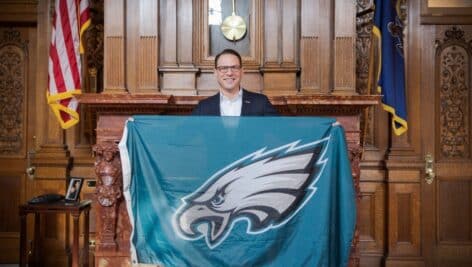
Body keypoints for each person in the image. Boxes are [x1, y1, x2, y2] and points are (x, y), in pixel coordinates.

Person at [192, 49, 278, 116]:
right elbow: (183, 135)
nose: (229, 73)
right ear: (215, 72)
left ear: (242, 71)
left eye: (234, 67)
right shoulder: (203, 107)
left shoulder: (261, 102)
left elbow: (282, 132)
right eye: (223, 68)